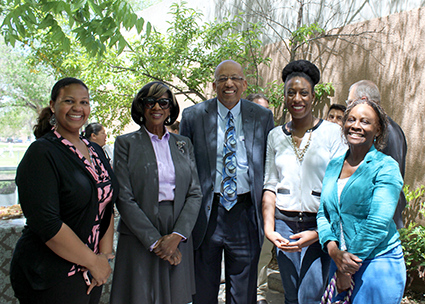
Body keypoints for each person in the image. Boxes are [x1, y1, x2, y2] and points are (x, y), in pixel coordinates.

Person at [10, 77, 118, 304]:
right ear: (53, 105)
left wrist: (104, 258)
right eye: (69, 101)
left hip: (92, 271)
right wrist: (92, 262)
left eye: (84, 102)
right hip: (52, 275)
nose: (78, 108)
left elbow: (106, 204)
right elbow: (47, 223)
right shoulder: (42, 153)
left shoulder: (95, 150)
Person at [180, 60, 274, 304]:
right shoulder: (193, 116)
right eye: (222, 79)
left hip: (245, 213)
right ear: (214, 85)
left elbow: (269, 165)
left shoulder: (262, 117)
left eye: (234, 78)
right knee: (203, 288)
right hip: (207, 213)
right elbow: (185, 169)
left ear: (244, 84)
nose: (229, 83)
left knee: (243, 293)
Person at [262, 60, 347, 304]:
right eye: (291, 93)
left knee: (310, 296)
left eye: (303, 93)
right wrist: (270, 229)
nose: (297, 99)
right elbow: (270, 185)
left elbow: (340, 186)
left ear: (313, 96)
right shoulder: (275, 136)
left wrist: (320, 232)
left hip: (318, 226)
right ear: (285, 96)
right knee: (291, 296)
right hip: (285, 227)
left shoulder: (331, 133)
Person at [109, 81, 202, 304]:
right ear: (141, 107)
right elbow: (123, 196)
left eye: (163, 102)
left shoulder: (183, 144)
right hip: (140, 232)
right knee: (140, 297)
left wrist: (177, 236)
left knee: (176, 297)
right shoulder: (125, 144)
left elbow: (195, 192)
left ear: (170, 108)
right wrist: (155, 242)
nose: (156, 107)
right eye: (150, 102)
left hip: (177, 228)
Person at [317, 98, 406, 303]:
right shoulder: (334, 164)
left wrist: (346, 269)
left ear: (378, 130)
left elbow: (376, 223)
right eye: (351, 119)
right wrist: (333, 250)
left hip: (377, 264)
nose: (356, 126)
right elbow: (324, 213)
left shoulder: (386, 167)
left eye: (365, 122)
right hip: (339, 260)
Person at [346, 80, 407, 229]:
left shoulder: (372, 132)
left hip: (373, 221)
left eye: (349, 102)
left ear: (363, 100)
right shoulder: (395, 128)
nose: (348, 108)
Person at [246, 92, 274, 304]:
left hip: (265, 207)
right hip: (240, 207)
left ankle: (259, 293)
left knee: (263, 252)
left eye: (266, 110)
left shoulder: (276, 139)